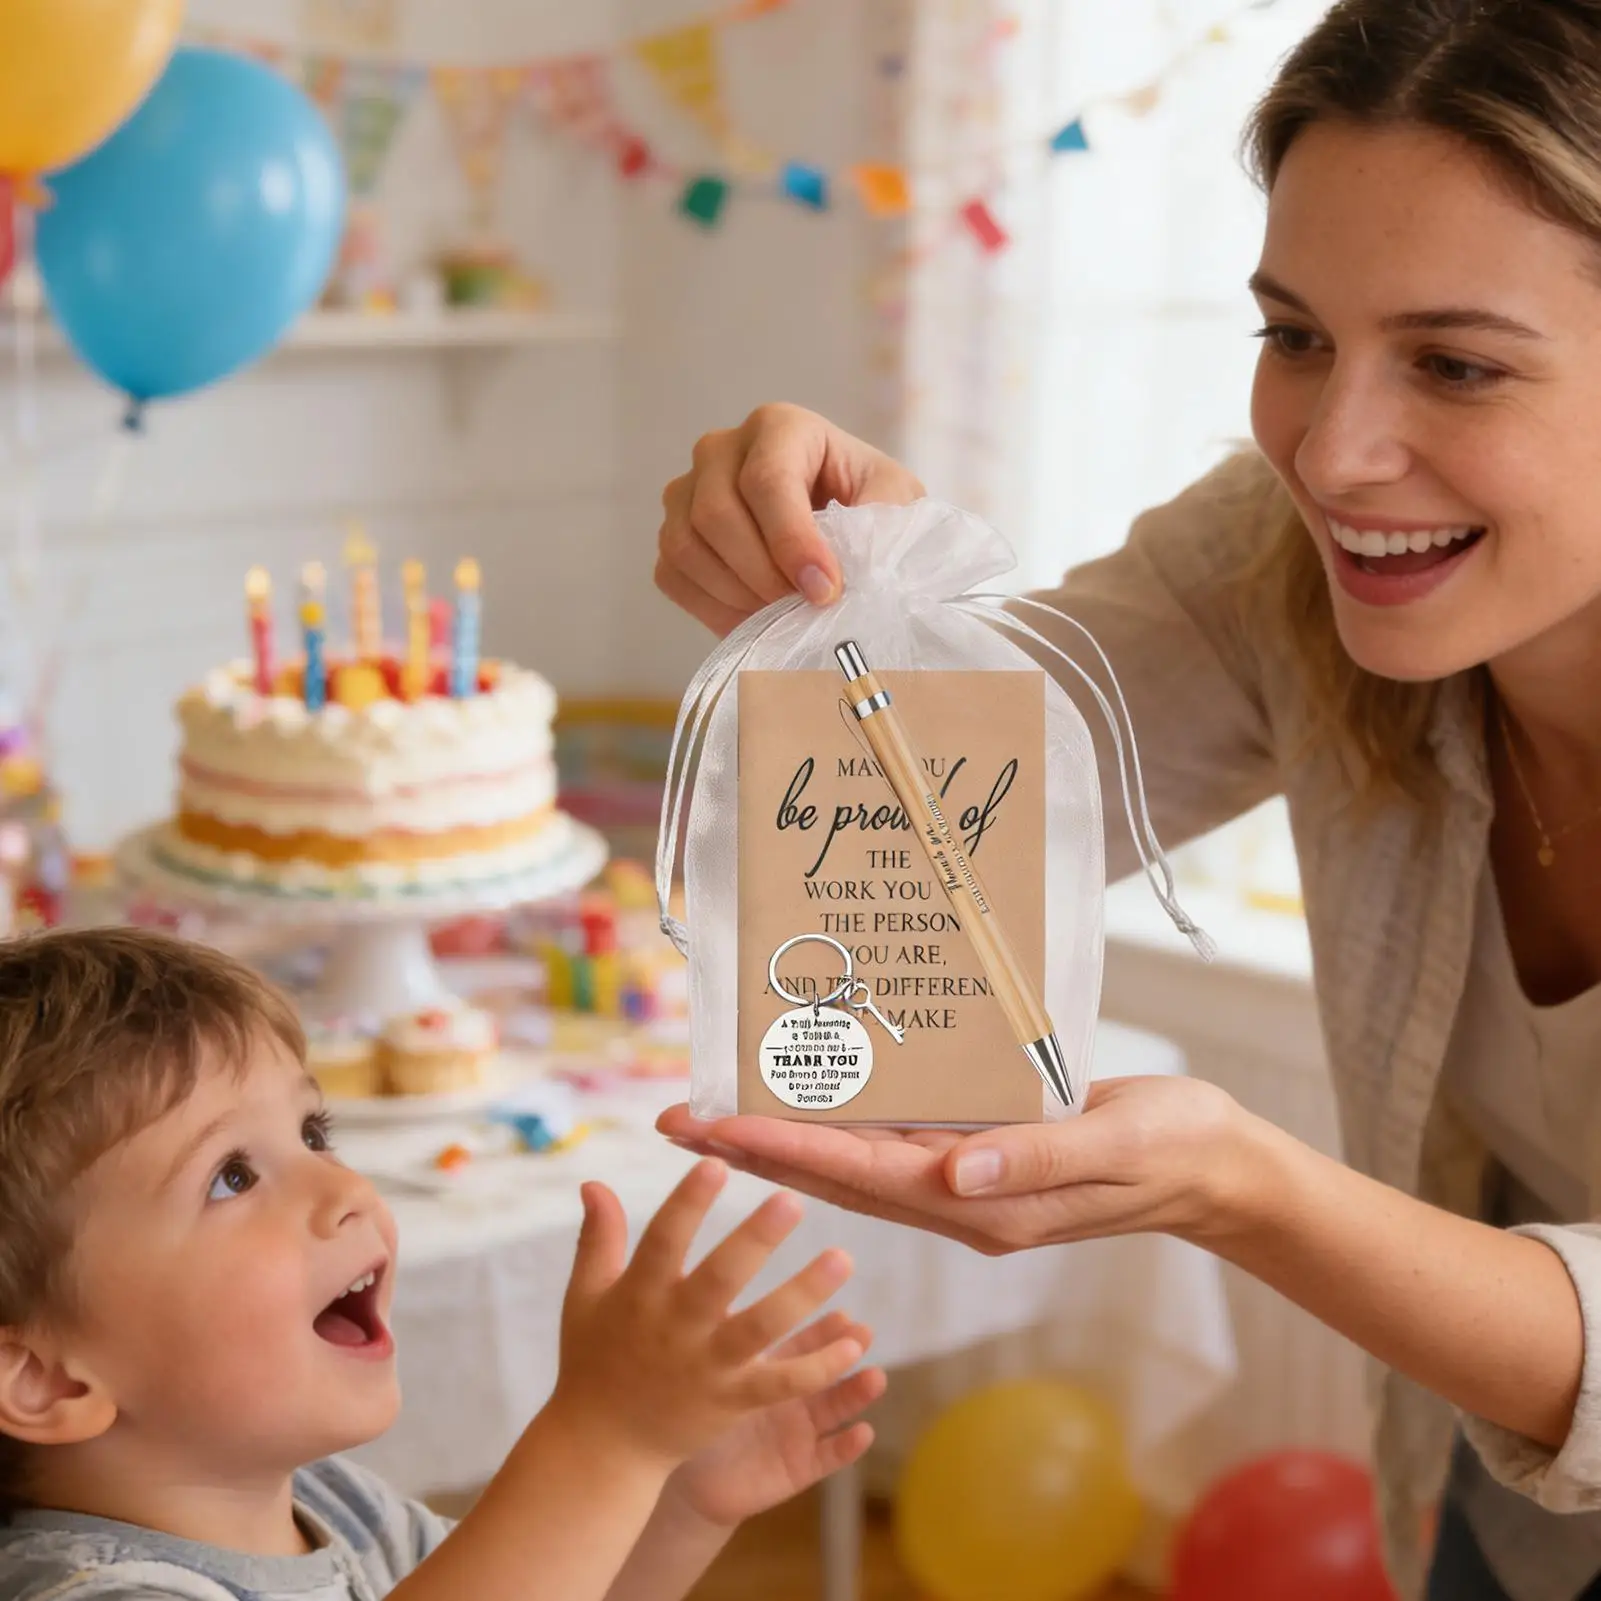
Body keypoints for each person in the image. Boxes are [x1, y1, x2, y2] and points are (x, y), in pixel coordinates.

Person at [652, 4, 1601, 1598]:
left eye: (1453, 362)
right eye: (1294, 336)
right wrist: (849, 593)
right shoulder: (1280, 552)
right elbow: (958, 813)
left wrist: (1245, 1192)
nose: (1335, 452)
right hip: (1501, 1508)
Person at [0, 926, 883, 1600]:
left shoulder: (335, 1505)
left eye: (313, 1132)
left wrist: (678, 1494)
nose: (343, 1185)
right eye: (231, 1176)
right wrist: (607, 1438)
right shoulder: (89, 1590)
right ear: (44, 1378)